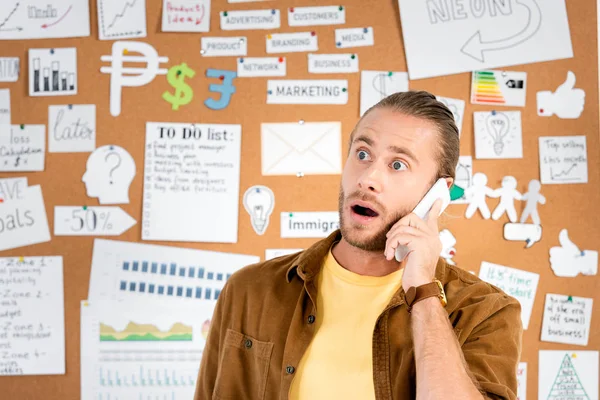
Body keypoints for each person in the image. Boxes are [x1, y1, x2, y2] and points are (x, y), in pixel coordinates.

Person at [194, 91, 523, 400]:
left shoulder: (486, 313)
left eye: (397, 165)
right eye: (363, 154)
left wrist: (423, 292)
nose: (368, 178)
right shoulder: (249, 290)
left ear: (438, 193)